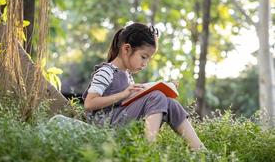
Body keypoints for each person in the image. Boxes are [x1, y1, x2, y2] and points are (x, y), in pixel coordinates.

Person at [82, 22, 205, 150]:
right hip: (104, 123)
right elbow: (89, 104)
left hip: (119, 118)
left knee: (170, 102)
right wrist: (123, 94)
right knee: (156, 96)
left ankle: (200, 151)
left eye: (148, 59)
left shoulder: (127, 75)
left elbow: (127, 102)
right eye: (143, 57)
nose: (145, 63)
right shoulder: (106, 71)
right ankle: (148, 149)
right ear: (126, 49)